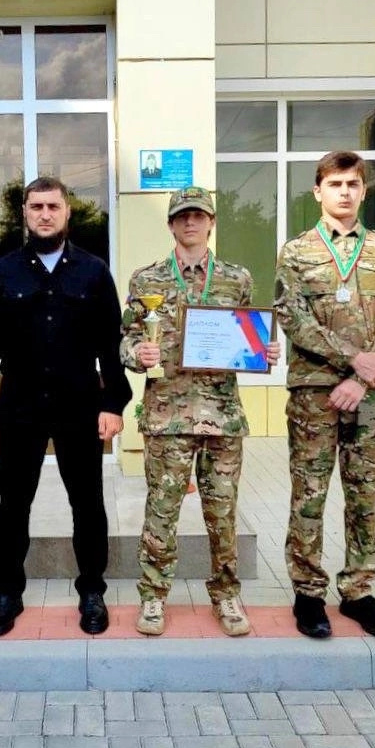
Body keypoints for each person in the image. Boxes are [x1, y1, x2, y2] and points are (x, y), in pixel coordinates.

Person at [0, 176, 132, 637]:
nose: (45, 214)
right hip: (19, 405)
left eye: (53, 206)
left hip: (79, 403)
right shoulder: (1, 272)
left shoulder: (93, 271)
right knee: (13, 504)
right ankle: (8, 592)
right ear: (25, 212)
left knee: (88, 504)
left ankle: (92, 590)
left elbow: (111, 344)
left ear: (67, 212)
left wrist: (113, 403)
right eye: (36, 206)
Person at [120, 186, 280, 637]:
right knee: (161, 513)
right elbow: (126, 339)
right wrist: (137, 354)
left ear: (211, 222)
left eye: (199, 215)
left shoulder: (237, 278)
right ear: (171, 224)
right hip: (166, 418)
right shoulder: (146, 280)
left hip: (222, 416)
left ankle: (226, 596)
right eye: (182, 216)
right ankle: (153, 597)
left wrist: (265, 350)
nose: (190, 222)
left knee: (222, 513)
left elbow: (248, 335)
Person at [273, 150, 375, 640]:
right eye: (335, 184)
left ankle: (358, 591)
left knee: (363, 495)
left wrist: (362, 378)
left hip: (369, 397)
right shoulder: (297, 252)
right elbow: (292, 318)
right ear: (318, 191)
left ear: (364, 190)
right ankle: (308, 592)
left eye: (353, 184)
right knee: (309, 495)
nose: (345, 192)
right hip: (314, 394)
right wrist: (352, 359)